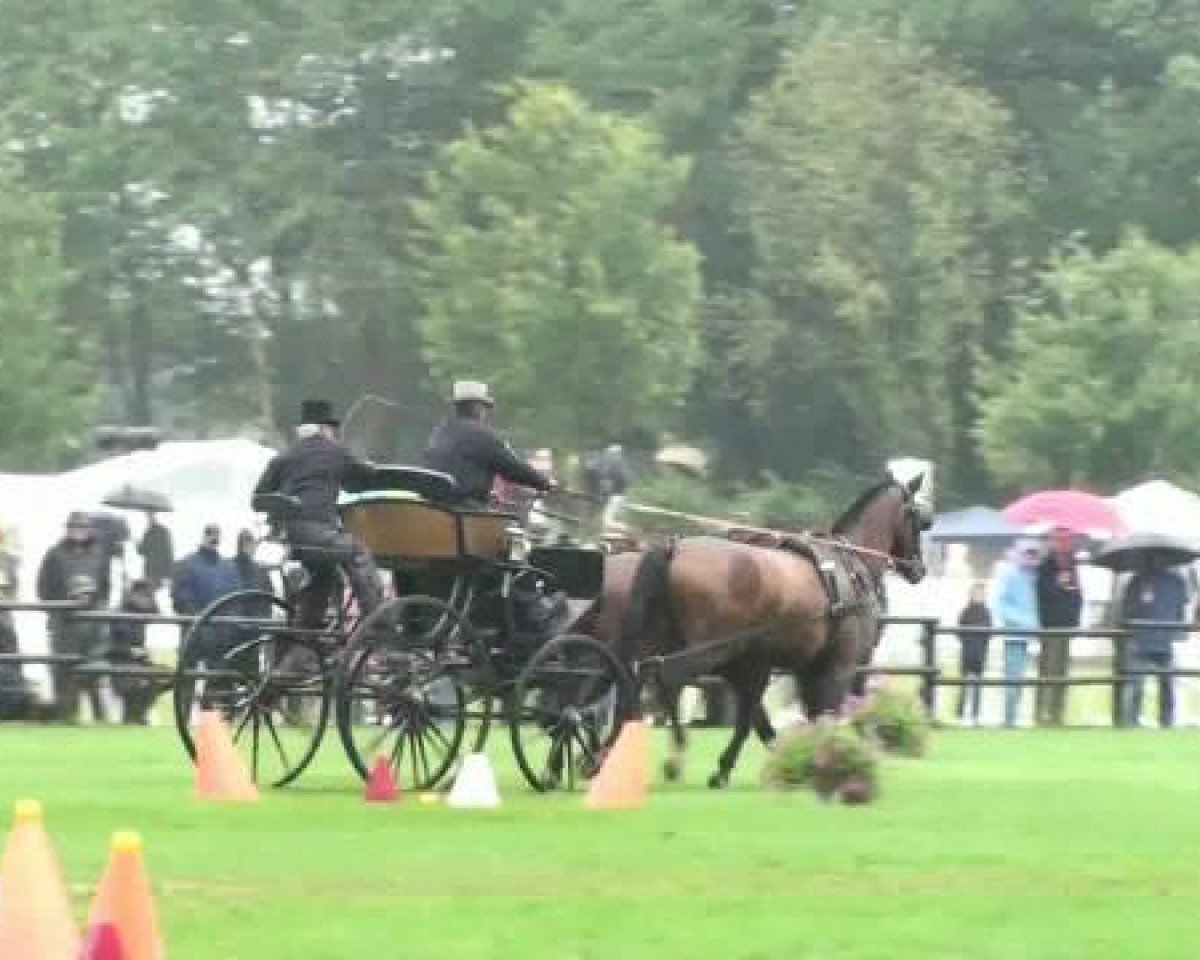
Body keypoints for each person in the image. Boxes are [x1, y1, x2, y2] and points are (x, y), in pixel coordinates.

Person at [251, 399, 384, 635]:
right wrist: (370, 467)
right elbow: (362, 480)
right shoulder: (336, 451)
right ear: (324, 429)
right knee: (358, 552)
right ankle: (379, 625)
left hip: (290, 539)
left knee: (324, 575)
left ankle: (306, 634)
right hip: (319, 534)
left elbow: (259, 497)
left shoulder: (286, 456)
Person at [422, 381, 553, 507]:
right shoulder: (483, 436)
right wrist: (545, 483)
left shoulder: (440, 432)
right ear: (477, 407)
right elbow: (513, 468)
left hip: (434, 505)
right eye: (485, 407)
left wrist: (486, 493)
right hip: (464, 508)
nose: (486, 413)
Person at [36, 512, 112, 723]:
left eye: (82, 527)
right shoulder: (54, 554)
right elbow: (43, 588)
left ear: (89, 530)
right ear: (67, 529)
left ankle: (101, 718)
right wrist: (61, 607)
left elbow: (106, 587)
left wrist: (94, 604)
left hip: (92, 621)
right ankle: (66, 715)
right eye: (74, 527)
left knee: (94, 670)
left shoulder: (100, 555)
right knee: (64, 670)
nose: (78, 530)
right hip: (63, 622)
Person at [1120, 560, 1188, 728]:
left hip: (1164, 640)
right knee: (1137, 685)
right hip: (1143, 639)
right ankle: (1131, 721)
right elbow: (1127, 611)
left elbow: (1180, 609)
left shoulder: (1176, 582)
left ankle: (1166, 721)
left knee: (1167, 685)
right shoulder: (1137, 582)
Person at [1035, 526, 1082, 725]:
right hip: (1051, 623)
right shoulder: (1046, 565)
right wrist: (1058, 585)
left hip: (1067, 623)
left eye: (1067, 541)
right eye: (1060, 541)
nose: (1064, 545)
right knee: (1049, 669)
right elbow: (1042, 593)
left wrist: (1075, 618)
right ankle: (1042, 713)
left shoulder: (1072, 565)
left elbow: (1077, 594)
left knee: (1062, 670)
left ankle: (1058, 713)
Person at [995, 541, 1041, 728]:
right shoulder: (1010, 576)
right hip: (1015, 636)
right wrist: (1023, 621)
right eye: (1027, 554)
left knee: (1025, 681)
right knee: (1013, 679)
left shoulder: (1037, 577)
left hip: (1037, 636)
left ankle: (1023, 718)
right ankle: (1009, 720)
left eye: (1034, 554)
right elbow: (1001, 606)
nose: (1031, 558)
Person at [109, 579, 161, 725]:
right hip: (121, 660)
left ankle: (137, 715)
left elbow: (156, 611)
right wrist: (131, 651)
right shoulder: (122, 612)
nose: (148, 600)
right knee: (138, 683)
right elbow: (112, 644)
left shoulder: (138, 613)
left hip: (135, 660)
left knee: (160, 677)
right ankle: (135, 716)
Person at [957, 581, 992, 726]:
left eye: (981, 593)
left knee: (978, 685)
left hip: (980, 653)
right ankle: (960, 714)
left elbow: (989, 632)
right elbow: (959, 630)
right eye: (976, 592)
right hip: (967, 652)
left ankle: (975, 715)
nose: (979, 595)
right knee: (964, 684)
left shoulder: (987, 612)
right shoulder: (965, 611)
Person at [138, 510, 174, 593]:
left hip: (152, 570)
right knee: (157, 594)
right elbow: (169, 552)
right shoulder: (164, 531)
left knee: (151, 592)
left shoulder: (149, 532)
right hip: (159, 570)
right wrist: (169, 574)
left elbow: (141, 551)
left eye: (148, 515)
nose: (148, 518)